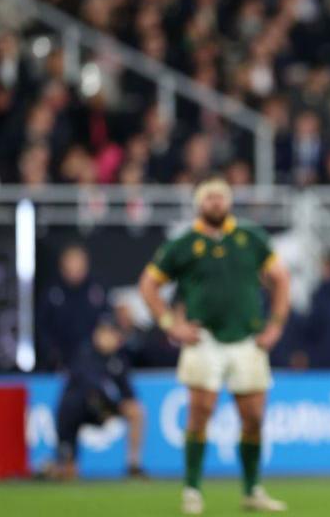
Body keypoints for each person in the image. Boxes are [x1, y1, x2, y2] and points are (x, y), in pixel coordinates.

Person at [138, 177, 291, 515]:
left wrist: (276, 325)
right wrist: (170, 324)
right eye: (209, 197)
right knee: (200, 412)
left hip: (247, 337)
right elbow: (149, 284)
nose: (216, 203)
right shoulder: (183, 244)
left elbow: (281, 277)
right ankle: (192, 490)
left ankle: (252, 489)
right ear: (198, 203)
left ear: (230, 201)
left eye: (221, 196)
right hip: (203, 338)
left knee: (253, 417)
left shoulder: (250, 238)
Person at [46, 322, 146, 480]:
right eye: (106, 333)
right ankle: (51, 468)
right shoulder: (85, 354)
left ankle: (133, 465)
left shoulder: (118, 360)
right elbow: (92, 387)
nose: (110, 339)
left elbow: (128, 393)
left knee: (136, 410)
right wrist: (111, 406)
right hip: (73, 413)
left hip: (101, 408)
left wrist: (119, 406)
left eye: (113, 334)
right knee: (68, 473)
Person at [36, 244, 108, 371]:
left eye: (79, 263)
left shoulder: (96, 289)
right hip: (61, 357)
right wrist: (51, 353)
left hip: (94, 356)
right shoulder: (52, 293)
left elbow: (106, 320)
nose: (76, 268)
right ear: (62, 265)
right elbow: (41, 328)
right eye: (72, 262)